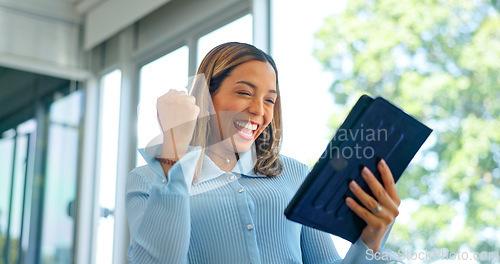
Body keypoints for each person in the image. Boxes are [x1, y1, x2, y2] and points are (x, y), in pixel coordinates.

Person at [126, 42, 401, 263]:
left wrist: (371, 240)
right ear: (206, 97)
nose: (260, 110)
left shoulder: (294, 173)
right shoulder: (147, 180)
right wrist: (175, 144)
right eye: (245, 92)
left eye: (269, 99)